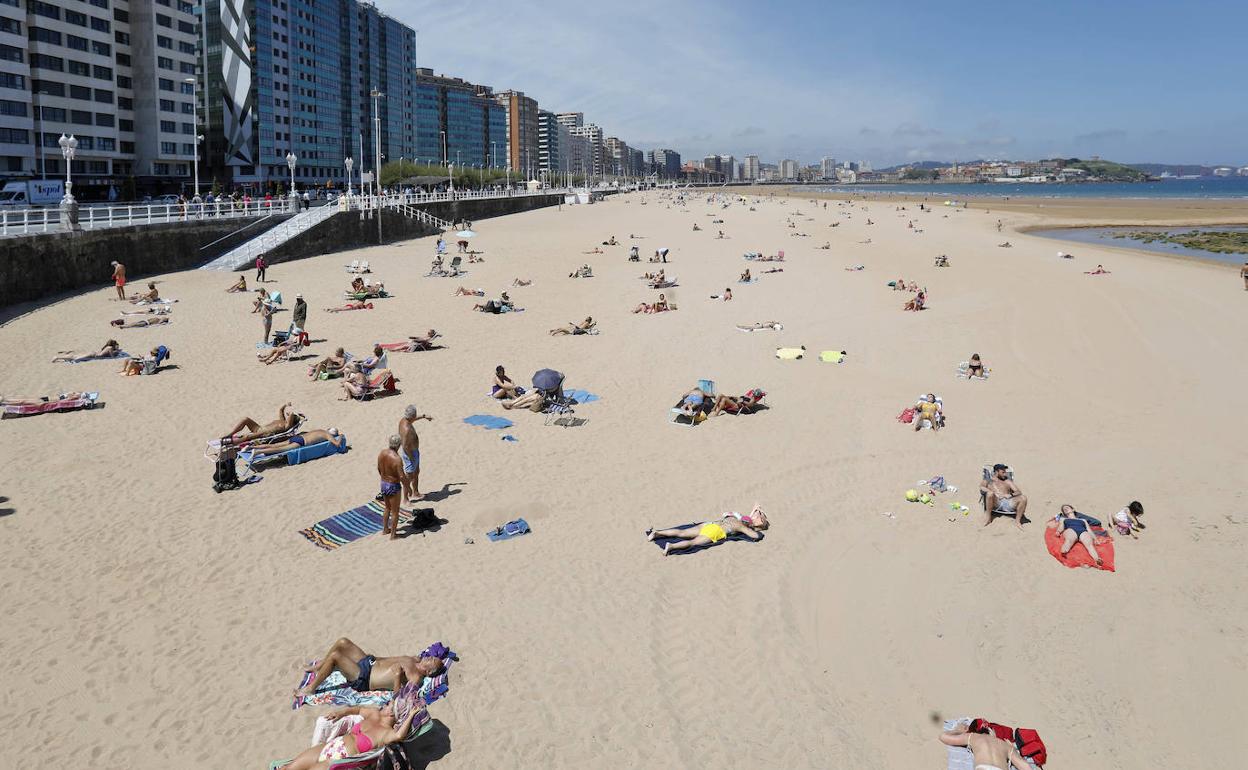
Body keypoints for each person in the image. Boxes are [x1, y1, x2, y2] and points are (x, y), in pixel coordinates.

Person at [278, 701, 421, 769]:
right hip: (330, 746)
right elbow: (358, 710)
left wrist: (412, 714)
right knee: (288, 768)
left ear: (392, 713)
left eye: (390, 704)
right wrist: (342, 712)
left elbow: (399, 736)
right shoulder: (374, 714)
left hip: (339, 760)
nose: (386, 703)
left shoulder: (386, 733)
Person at [295, 638, 445, 697]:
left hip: (364, 678)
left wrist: (398, 676)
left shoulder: (416, 677)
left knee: (336, 656)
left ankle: (311, 689)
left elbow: (399, 697)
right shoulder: (415, 659)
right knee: (343, 642)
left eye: (431, 660)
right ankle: (319, 667)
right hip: (369, 662)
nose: (429, 656)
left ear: (429, 671)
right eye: (431, 656)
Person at [647, 506, 769, 556]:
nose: (758, 517)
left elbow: (752, 513)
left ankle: (657, 533)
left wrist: (756, 510)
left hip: (709, 524)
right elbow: (755, 535)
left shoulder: (736, 516)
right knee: (693, 543)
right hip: (716, 531)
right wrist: (757, 532)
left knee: (681, 532)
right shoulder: (740, 526)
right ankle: (671, 546)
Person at [939, 723, 1032, 770]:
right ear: (993, 733)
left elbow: (943, 737)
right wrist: (1013, 749)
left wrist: (959, 731)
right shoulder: (1005, 745)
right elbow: (1026, 767)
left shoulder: (973, 737)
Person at [398, 404, 432, 502]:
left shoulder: (405, 420)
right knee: (408, 477)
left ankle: (415, 492)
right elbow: (404, 445)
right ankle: (405, 499)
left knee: (416, 472)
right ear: (412, 416)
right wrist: (411, 456)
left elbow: (413, 419)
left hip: (414, 452)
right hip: (410, 454)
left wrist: (423, 416)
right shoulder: (407, 429)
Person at [221, 403, 299, 444]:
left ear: (292, 420)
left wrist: (294, 414)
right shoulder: (282, 420)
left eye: (291, 417)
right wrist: (286, 405)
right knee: (246, 419)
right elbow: (281, 410)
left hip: (263, 434)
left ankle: (229, 442)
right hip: (258, 428)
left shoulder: (287, 426)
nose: (288, 416)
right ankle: (230, 434)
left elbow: (292, 414)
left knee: (247, 436)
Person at [981, 463, 1028, 529]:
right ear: (997, 472)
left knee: (1023, 498)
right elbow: (982, 487)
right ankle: (988, 518)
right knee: (990, 494)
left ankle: (1017, 521)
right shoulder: (988, 480)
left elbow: (1018, 492)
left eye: (1005, 472)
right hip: (996, 502)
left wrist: (1010, 494)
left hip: (1009, 502)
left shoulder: (1007, 481)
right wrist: (992, 492)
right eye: (1003, 472)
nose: (1005, 474)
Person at [244, 428, 345, 458]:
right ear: (333, 434)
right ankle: (256, 452)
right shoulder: (328, 435)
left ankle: (250, 447)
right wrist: (340, 437)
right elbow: (337, 444)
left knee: (273, 445)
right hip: (302, 442)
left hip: (297, 437)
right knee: (279, 450)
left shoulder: (320, 430)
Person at [378, 435, 405, 539]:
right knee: (395, 511)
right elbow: (401, 476)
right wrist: (408, 487)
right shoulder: (397, 459)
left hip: (384, 483)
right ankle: (393, 535)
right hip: (393, 485)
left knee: (387, 508)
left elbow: (379, 468)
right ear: (399, 445)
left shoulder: (382, 453)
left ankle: (385, 529)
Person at [52, 339, 122, 363]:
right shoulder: (110, 348)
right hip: (93, 355)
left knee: (76, 356)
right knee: (75, 358)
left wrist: (117, 350)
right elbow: (113, 357)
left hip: (93, 353)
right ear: (114, 345)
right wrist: (117, 352)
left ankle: (61, 356)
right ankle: (58, 358)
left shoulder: (107, 347)